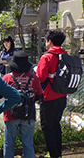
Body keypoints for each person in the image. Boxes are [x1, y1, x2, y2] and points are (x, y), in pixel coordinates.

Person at [2, 51, 43, 158]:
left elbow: (0, 94)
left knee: (9, 144)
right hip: (28, 114)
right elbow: (39, 95)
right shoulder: (34, 78)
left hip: (10, 115)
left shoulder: (7, 78)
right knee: (28, 144)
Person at [36, 29, 68, 158]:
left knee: (47, 127)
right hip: (63, 96)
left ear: (49, 42)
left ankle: (53, 154)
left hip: (49, 96)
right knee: (56, 124)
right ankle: (58, 153)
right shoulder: (66, 56)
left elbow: (41, 77)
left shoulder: (47, 57)